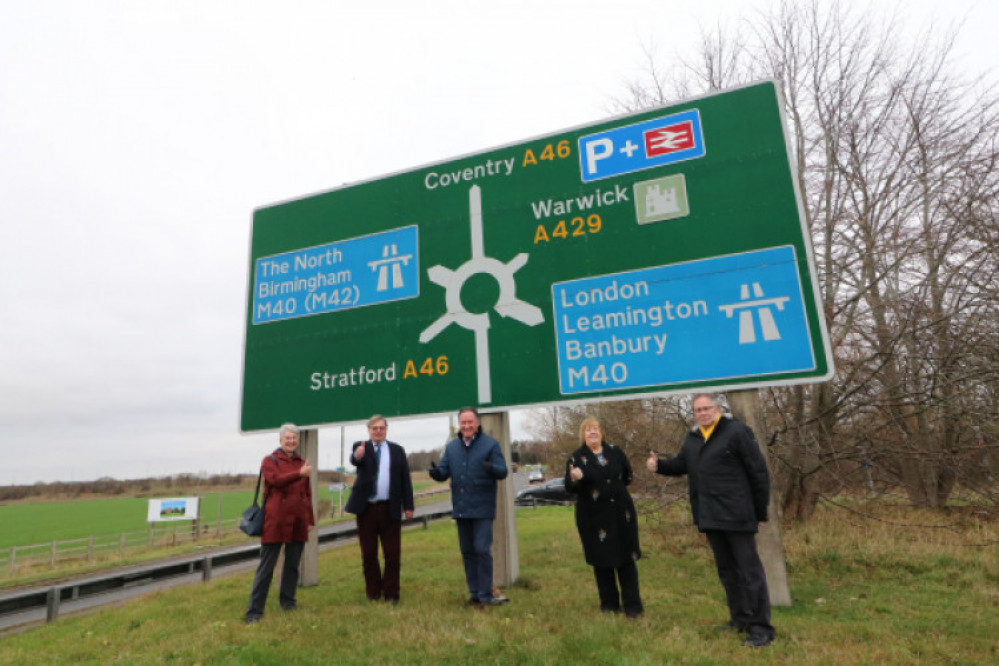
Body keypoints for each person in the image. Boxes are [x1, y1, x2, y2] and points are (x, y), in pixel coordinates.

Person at [647, 393, 776, 648]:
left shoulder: (737, 432)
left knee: (750, 573)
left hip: (738, 515)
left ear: (717, 408)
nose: (703, 413)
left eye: (707, 408)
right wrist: (658, 465)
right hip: (710, 516)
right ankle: (740, 619)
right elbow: (681, 465)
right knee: (728, 572)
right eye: (698, 410)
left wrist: (759, 512)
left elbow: (758, 472)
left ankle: (762, 628)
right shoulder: (694, 438)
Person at [428, 407, 509, 607]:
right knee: (467, 551)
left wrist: (491, 468)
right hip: (462, 508)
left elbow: (503, 471)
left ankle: (485, 595)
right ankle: (474, 594)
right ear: (459, 425)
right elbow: (444, 472)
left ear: (477, 423)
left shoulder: (490, 445)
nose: (466, 426)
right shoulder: (452, 447)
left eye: (470, 422)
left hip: (482, 508)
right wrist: (435, 472)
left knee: (481, 550)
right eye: (463, 423)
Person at [565, 416, 644, 618]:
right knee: (602, 561)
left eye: (596, 429)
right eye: (588, 430)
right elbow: (569, 486)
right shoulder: (576, 458)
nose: (593, 432)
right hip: (593, 517)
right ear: (583, 435)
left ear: (602, 433)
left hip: (621, 513)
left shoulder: (616, 452)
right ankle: (609, 606)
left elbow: (627, 476)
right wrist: (576, 479)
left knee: (626, 560)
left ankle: (633, 607)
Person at [245, 423, 315, 624]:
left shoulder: (302, 462)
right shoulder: (270, 460)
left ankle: (288, 602)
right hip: (276, 520)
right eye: (288, 438)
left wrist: (309, 519)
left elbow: (306, 494)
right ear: (281, 440)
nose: (291, 441)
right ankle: (254, 612)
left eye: (294, 438)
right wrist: (299, 474)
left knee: (292, 565)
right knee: (266, 567)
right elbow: (275, 480)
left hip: (298, 520)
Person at [345, 414, 415, 604]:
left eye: (381, 428)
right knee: (369, 555)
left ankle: (392, 593)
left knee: (392, 554)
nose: (378, 431)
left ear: (386, 430)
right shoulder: (361, 447)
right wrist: (357, 455)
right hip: (366, 509)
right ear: (369, 430)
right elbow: (355, 460)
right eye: (374, 428)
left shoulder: (397, 451)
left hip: (389, 509)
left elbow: (405, 480)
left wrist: (408, 506)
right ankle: (373, 593)